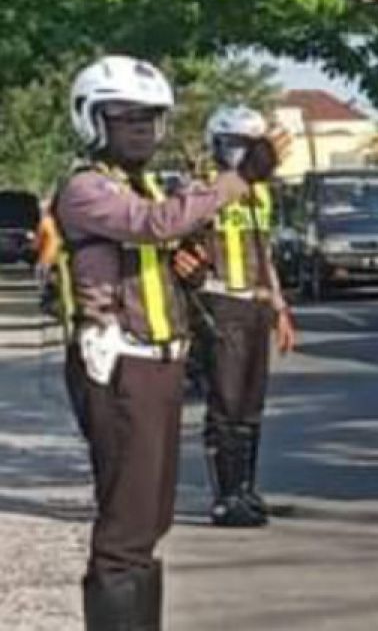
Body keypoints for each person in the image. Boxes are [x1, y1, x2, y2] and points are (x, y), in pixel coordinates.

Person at [52, 55, 286, 630]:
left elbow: (162, 238)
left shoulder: (149, 184)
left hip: (160, 364)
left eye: (150, 118)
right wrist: (242, 177)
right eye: (123, 116)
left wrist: (185, 269)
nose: (139, 128)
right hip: (119, 367)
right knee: (126, 528)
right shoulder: (86, 188)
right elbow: (155, 223)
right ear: (92, 120)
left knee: (151, 521)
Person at [173, 105, 296, 528]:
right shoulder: (202, 188)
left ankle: (246, 489)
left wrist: (279, 307)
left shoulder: (262, 193)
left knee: (251, 403)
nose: (243, 154)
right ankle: (225, 496)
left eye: (251, 145)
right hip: (218, 301)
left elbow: (266, 254)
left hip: (256, 303)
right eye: (236, 144)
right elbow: (176, 241)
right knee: (225, 402)